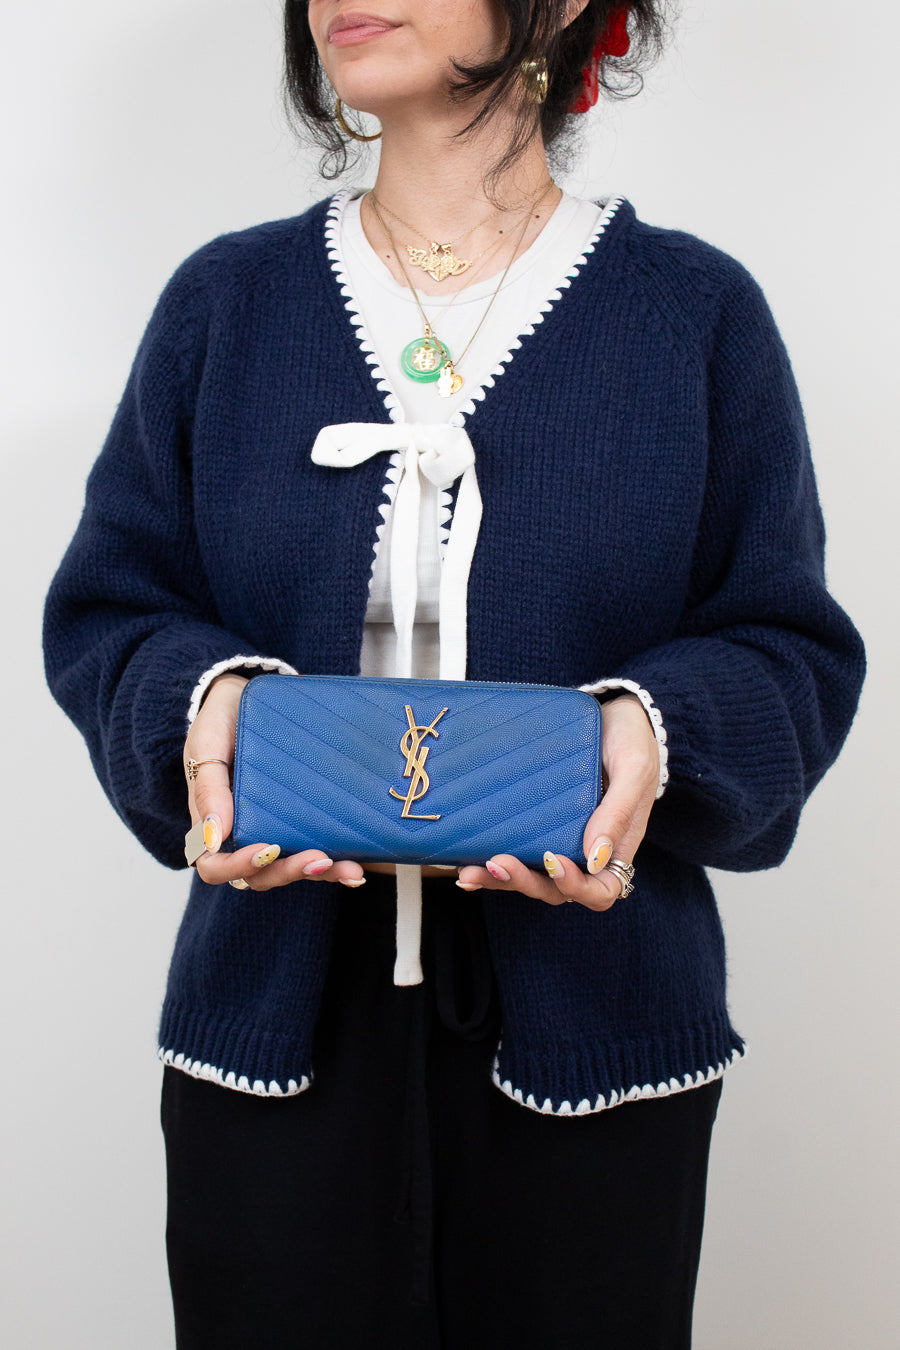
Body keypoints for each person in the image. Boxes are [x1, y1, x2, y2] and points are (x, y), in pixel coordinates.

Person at [42, 2, 865, 1346]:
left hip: (601, 1042)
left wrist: (650, 735)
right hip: (274, 1035)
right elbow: (112, 609)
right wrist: (205, 711)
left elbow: (787, 651)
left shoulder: (695, 318)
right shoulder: (227, 306)